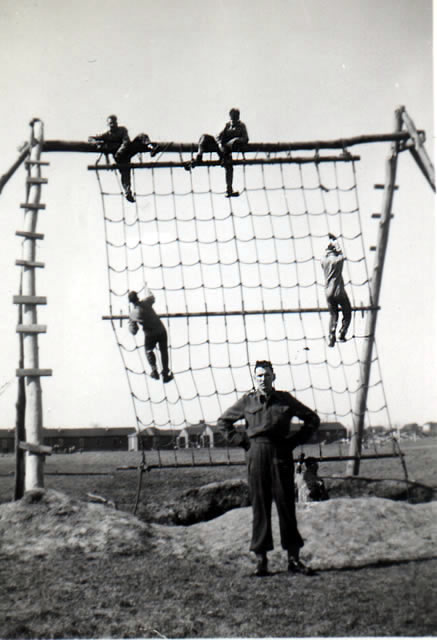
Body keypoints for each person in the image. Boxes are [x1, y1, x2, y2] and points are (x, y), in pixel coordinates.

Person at [217, 359, 320, 577]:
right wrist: (244, 442)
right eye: (259, 376)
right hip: (257, 455)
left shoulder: (285, 400)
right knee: (260, 507)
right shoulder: (247, 401)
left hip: (281, 454)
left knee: (286, 506)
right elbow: (223, 423)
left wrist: (293, 441)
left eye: (267, 375)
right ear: (255, 379)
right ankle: (261, 561)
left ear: (274, 377)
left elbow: (312, 419)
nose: (263, 379)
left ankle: (293, 559)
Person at [89, 115, 157, 203]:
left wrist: (119, 151)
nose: (112, 125)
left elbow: (126, 142)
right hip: (120, 158)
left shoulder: (122, 130)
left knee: (141, 136)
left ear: (116, 123)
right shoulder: (106, 134)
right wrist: (98, 143)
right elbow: (90, 138)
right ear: (108, 124)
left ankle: (151, 146)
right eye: (110, 123)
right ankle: (127, 192)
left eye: (114, 123)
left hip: (126, 151)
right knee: (125, 173)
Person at [185, 108, 249, 198]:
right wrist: (219, 146)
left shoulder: (242, 126)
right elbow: (218, 137)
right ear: (230, 116)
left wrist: (236, 140)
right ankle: (198, 157)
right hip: (220, 147)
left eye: (236, 115)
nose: (234, 117)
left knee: (229, 166)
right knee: (204, 137)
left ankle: (229, 189)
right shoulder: (226, 125)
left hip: (228, 150)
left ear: (238, 116)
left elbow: (246, 138)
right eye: (233, 115)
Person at [128, 289, 173, 383]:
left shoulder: (133, 314)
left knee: (148, 351)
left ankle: (154, 370)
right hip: (161, 330)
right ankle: (165, 374)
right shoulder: (146, 302)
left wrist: (132, 323)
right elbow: (152, 297)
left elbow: (133, 331)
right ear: (138, 297)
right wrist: (147, 289)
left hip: (150, 334)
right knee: (163, 351)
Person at [321, 234, 352, 347]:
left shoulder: (324, 261)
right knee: (347, 312)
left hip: (328, 291)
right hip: (339, 291)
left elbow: (325, 255)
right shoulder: (338, 260)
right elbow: (341, 254)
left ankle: (331, 335)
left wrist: (330, 242)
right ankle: (342, 333)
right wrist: (336, 241)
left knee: (333, 315)